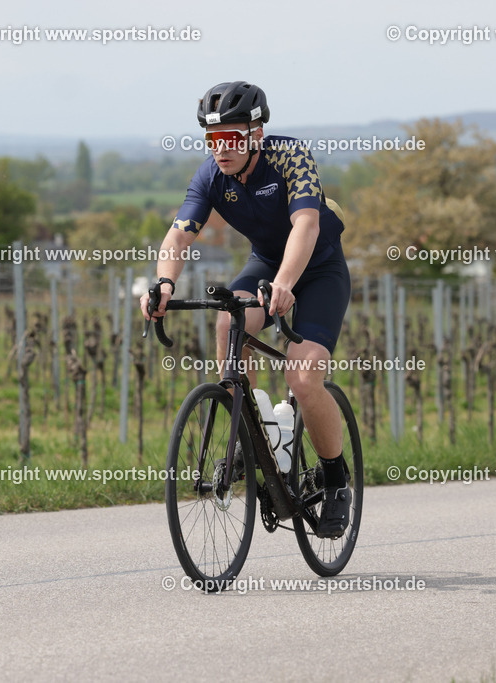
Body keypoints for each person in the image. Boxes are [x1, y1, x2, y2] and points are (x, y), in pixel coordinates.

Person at [140, 80, 353, 538]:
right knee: (228, 321)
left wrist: (285, 283)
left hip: (317, 269)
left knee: (302, 372)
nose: (222, 149)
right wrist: (162, 283)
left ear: (257, 134)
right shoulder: (211, 176)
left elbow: (306, 223)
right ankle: (251, 429)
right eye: (214, 140)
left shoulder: (288, 156)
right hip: (265, 265)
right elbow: (179, 236)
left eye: (233, 138)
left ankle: (336, 479)